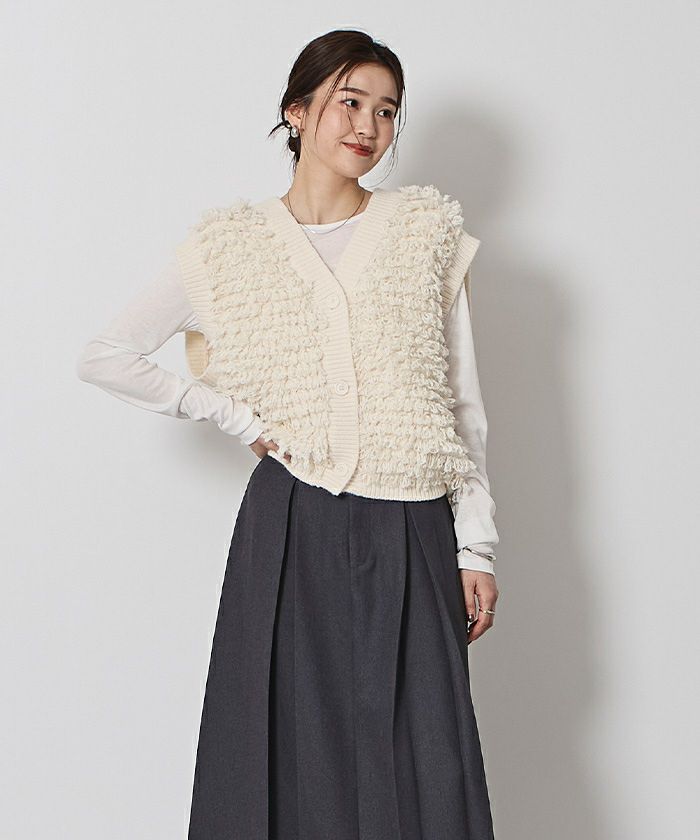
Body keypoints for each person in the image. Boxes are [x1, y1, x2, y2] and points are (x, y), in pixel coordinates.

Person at [77, 28, 500, 840]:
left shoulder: (425, 235)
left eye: (387, 111)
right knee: (289, 750)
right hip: (292, 521)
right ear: (296, 111)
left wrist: (474, 546)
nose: (368, 126)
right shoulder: (229, 248)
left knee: (424, 754)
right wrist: (235, 416)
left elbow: (462, 406)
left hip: (414, 520)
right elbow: (106, 355)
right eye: (350, 101)